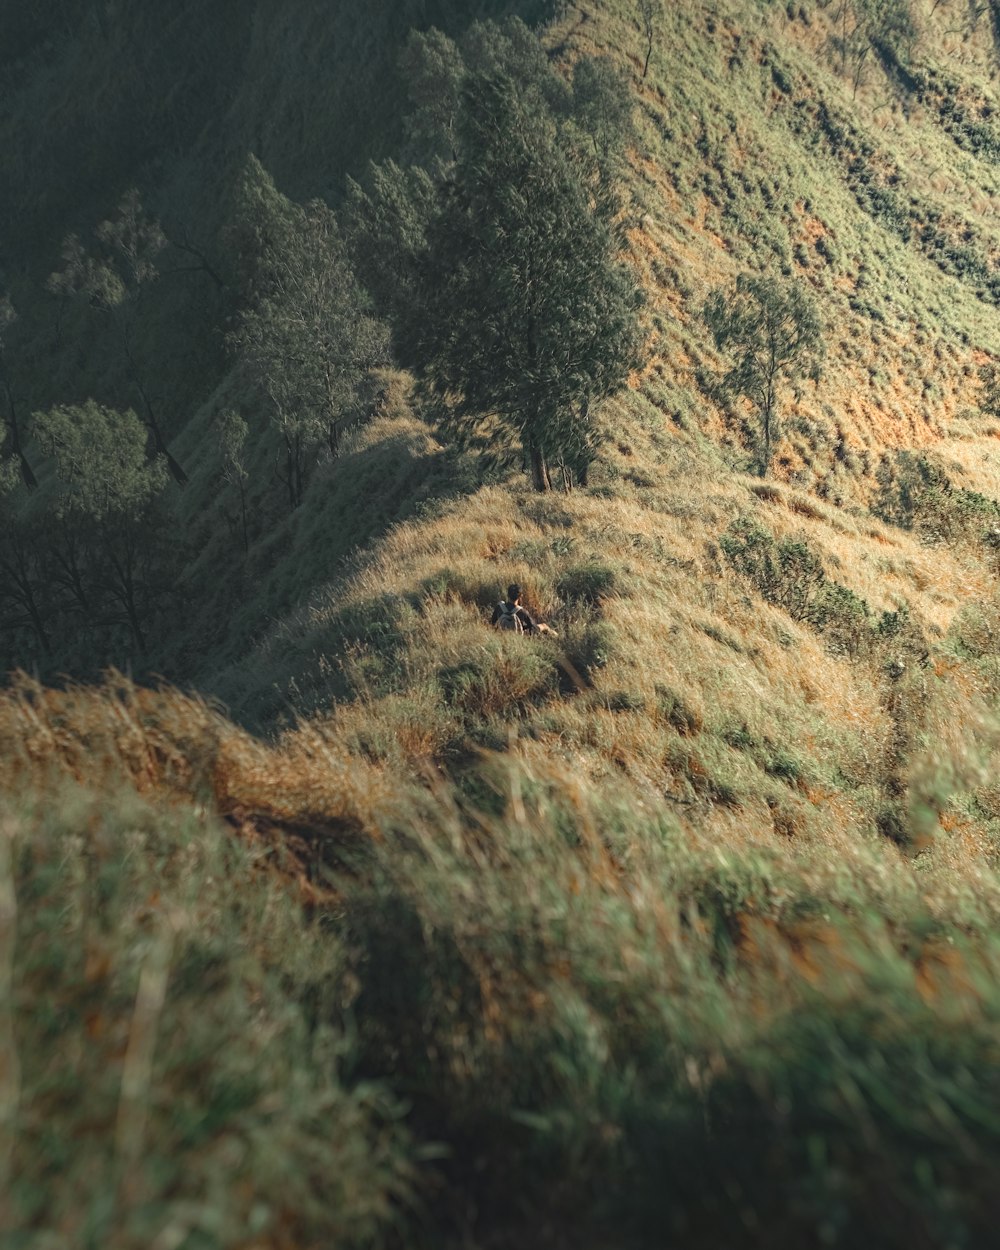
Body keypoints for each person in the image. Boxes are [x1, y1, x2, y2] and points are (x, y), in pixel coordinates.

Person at [491, 584, 556, 636]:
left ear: (508, 595)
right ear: (520, 596)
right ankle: (557, 637)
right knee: (544, 626)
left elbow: (492, 623)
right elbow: (534, 628)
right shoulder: (522, 611)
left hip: (502, 634)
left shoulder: (500, 606)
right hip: (517, 637)